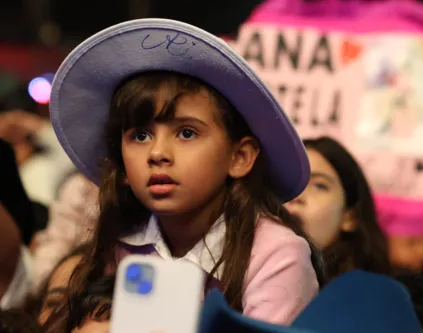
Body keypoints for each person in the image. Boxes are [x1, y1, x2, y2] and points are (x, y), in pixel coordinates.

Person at [44, 18, 323, 330]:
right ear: (120, 166)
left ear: (240, 157)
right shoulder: (120, 245)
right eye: (139, 136)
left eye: (187, 133)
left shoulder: (276, 254)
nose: (157, 153)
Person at [285, 137, 392, 279]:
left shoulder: (368, 295)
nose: (296, 196)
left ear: (350, 217)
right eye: (286, 181)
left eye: (319, 185)